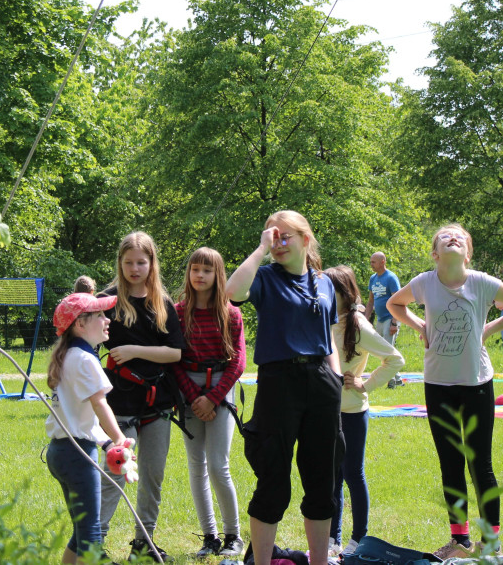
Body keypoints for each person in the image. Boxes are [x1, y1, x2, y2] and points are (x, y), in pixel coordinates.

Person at [386, 224, 503, 558]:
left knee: (480, 463)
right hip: (438, 387)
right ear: (435, 255)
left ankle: (491, 543)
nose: (452, 238)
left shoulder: (482, 282)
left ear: (467, 254)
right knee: (450, 464)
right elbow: (396, 305)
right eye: (444, 237)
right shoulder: (425, 283)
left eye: (459, 238)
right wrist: (419, 325)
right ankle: (460, 541)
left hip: (477, 385)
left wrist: (489, 329)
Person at [225, 210, 341, 565]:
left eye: (285, 236)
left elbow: (330, 337)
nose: (278, 243)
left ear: (306, 239)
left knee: (322, 480)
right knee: (273, 478)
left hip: (321, 381)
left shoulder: (325, 283)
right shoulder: (265, 278)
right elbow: (232, 291)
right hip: (279, 383)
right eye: (272, 236)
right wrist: (261, 249)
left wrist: (334, 376)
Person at [97, 232, 185, 562]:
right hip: (119, 401)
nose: (135, 268)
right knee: (116, 471)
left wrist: (135, 350)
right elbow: (87, 341)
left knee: (153, 475)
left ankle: (143, 542)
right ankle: (94, 542)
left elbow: (175, 352)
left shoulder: (162, 304)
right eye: (129, 262)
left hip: (157, 401)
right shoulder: (107, 301)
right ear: (120, 263)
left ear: (152, 264)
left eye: (141, 262)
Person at [171, 247, 247, 558]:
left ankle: (233, 535)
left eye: (207, 270)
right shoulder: (177, 312)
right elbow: (174, 361)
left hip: (221, 391)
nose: (200, 275)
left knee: (218, 465)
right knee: (196, 467)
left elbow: (239, 361)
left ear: (218, 275)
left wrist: (213, 398)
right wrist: (193, 397)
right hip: (188, 389)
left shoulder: (230, 312)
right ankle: (209, 536)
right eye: (195, 269)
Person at [324, 265, 404, 557]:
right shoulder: (323, 319)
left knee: (352, 474)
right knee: (331, 476)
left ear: (344, 293)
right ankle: (333, 538)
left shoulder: (358, 325)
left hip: (353, 412)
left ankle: (359, 539)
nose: (323, 295)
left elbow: (395, 359)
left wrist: (364, 383)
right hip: (326, 412)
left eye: (329, 290)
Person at [46, 292, 129, 565]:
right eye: (100, 315)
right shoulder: (85, 359)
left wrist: (105, 444)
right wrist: (118, 438)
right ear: (80, 324)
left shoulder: (68, 355)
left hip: (60, 452)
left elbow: (80, 417)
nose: (108, 320)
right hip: (79, 455)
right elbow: (99, 404)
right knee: (91, 535)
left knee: (82, 532)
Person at [364, 252, 403, 388]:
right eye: (371, 261)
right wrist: (364, 319)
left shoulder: (391, 278)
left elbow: (398, 301)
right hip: (380, 319)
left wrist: (394, 323)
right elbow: (370, 302)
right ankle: (397, 378)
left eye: (374, 262)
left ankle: (391, 381)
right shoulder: (373, 278)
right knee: (381, 348)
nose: (371, 264)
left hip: (390, 319)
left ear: (383, 262)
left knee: (388, 350)